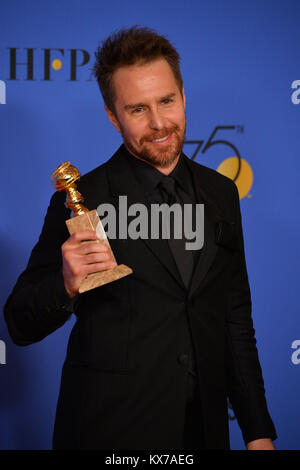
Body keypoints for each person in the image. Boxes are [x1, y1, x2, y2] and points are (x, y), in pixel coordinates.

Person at [4, 26, 277, 450]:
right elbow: (18, 323)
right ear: (113, 116)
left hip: (203, 433)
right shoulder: (86, 199)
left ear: (183, 96)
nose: (159, 123)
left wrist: (258, 431)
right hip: (110, 433)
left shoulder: (221, 193)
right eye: (137, 109)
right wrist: (66, 284)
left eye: (167, 101)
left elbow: (234, 319)